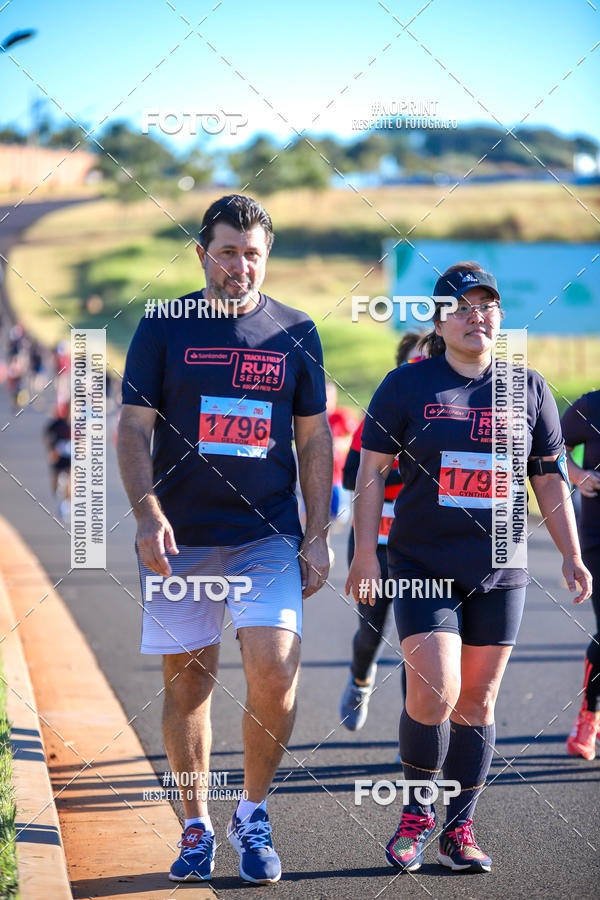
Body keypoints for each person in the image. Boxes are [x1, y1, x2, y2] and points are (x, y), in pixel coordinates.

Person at [346, 262, 592, 874]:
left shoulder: (527, 388)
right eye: (462, 306)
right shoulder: (406, 386)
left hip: (499, 568)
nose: (476, 315)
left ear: (500, 317)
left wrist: (571, 553)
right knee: (435, 689)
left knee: (477, 702)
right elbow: (370, 472)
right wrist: (364, 553)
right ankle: (415, 816)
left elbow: (548, 479)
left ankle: (460, 831)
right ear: (439, 319)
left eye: (487, 305)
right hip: (422, 560)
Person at [117, 195, 333, 885]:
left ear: (267, 256)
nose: (240, 265)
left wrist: (319, 531)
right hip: (181, 539)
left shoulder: (296, 331)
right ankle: (196, 825)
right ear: (201, 252)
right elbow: (130, 429)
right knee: (190, 685)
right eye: (228, 250)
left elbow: (313, 437)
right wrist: (148, 514)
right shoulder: (163, 325)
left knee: (276, 669)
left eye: (253, 253)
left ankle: (254, 812)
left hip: (266, 533)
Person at [339, 333, 425, 731]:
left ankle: (417, 726)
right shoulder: (385, 406)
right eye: (414, 362)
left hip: (421, 543)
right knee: (371, 630)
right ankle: (360, 678)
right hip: (375, 537)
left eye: (430, 360)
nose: (422, 368)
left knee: (420, 641)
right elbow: (353, 472)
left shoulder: (446, 412)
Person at [561, 390, 600, 759]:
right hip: (597, 538)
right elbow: (549, 445)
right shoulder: (591, 405)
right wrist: (576, 474)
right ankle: (589, 715)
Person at [326, 381, 358, 524]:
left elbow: (355, 439)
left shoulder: (342, 416)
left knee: (339, 518)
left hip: (338, 476)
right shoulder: (316, 418)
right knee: (318, 519)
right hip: (319, 476)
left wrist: (337, 443)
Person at [44, 402, 71, 521]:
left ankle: (66, 504)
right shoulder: (58, 423)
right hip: (59, 455)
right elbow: (46, 434)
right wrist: (50, 449)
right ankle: (58, 491)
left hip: (72, 457)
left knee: (72, 480)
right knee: (55, 482)